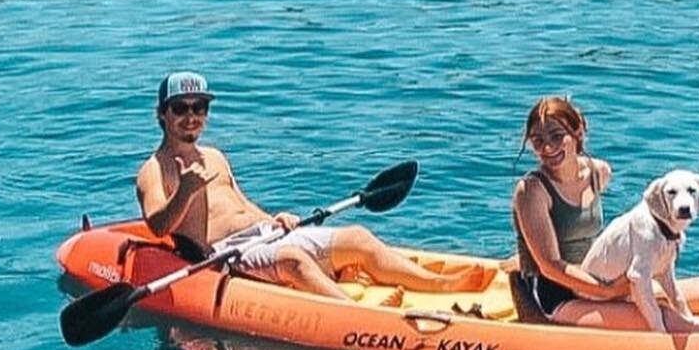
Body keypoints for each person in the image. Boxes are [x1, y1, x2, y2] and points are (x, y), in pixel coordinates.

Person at [136, 71, 492, 302]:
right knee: (293, 259)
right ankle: (356, 313)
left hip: (263, 234)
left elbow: (241, 204)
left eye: (199, 107)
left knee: (357, 235)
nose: (192, 116)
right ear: (162, 114)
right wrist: (185, 190)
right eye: (180, 108)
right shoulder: (154, 170)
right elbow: (157, 226)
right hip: (223, 253)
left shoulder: (214, 155)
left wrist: (275, 219)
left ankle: (437, 284)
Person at [510, 96, 699, 331]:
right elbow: (549, 266)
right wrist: (607, 291)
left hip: (603, 278)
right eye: (537, 141)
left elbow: (594, 230)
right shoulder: (532, 192)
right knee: (669, 320)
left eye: (557, 136)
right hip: (558, 296)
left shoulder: (597, 174)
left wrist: (618, 282)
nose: (547, 147)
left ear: (578, 132)